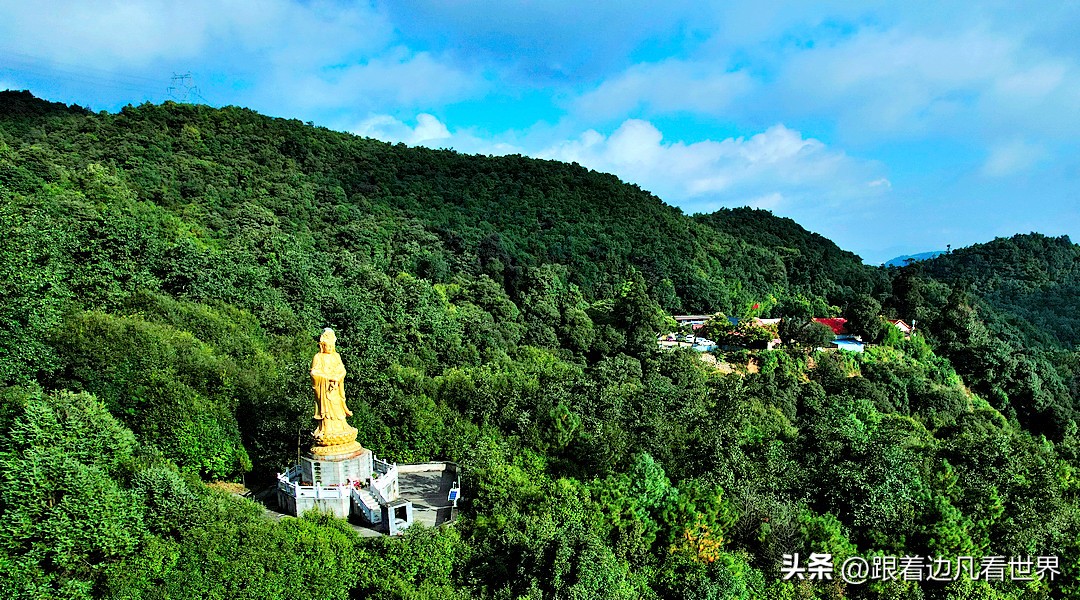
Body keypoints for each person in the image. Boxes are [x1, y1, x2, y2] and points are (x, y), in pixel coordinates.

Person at [311, 328, 357, 447]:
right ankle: (326, 429)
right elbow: (314, 373)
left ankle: (342, 428)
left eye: (332, 346)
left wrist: (337, 378)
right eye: (327, 346)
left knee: (338, 410)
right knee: (326, 413)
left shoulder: (336, 356)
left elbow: (342, 370)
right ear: (322, 346)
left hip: (335, 391)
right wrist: (328, 378)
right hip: (325, 391)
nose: (330, 348)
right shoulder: (318, 357)